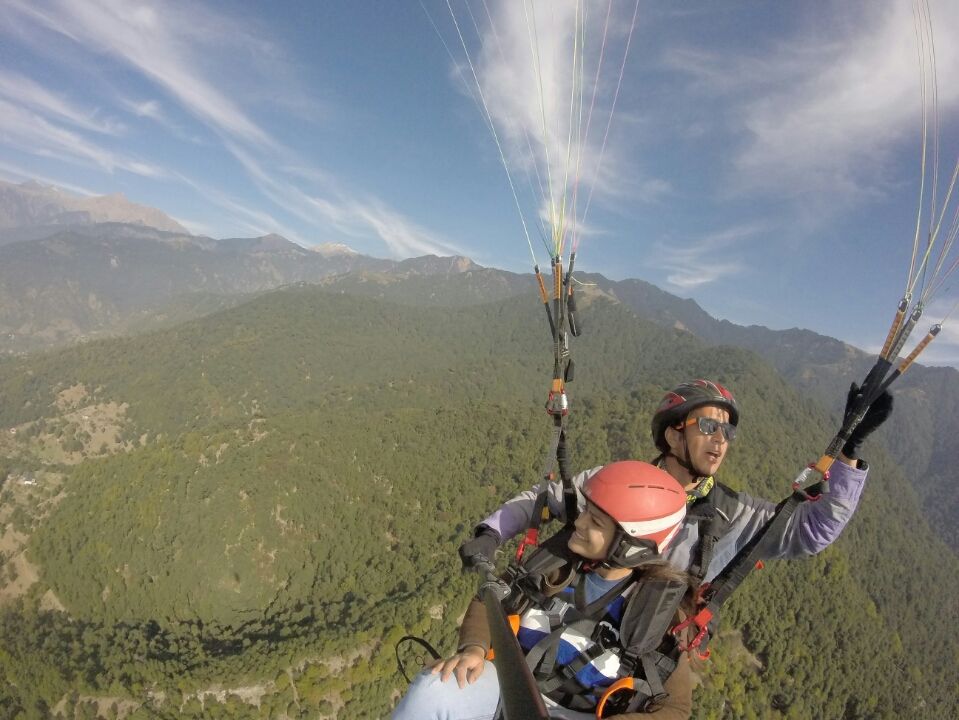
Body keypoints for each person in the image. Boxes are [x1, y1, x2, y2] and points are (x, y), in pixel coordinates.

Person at [460, 378, 893, 600]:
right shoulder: (617, 481)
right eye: (708, 426)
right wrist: (491, 532)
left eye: (727, 431)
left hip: (638, 666)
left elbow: (814, 530)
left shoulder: (733, 515)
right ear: (672, 435)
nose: (721, 439)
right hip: (567, 624)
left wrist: (849, 452)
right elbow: (543, 499)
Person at [392, 461, 698, 720]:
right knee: (434, 688)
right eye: (585, 511)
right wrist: (473, 648)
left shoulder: (656, 616)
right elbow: (490, 600)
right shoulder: (555, 565)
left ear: (631, 546)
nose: (578, 522)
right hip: (510, 690)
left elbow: (674, 707)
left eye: (595, 521)